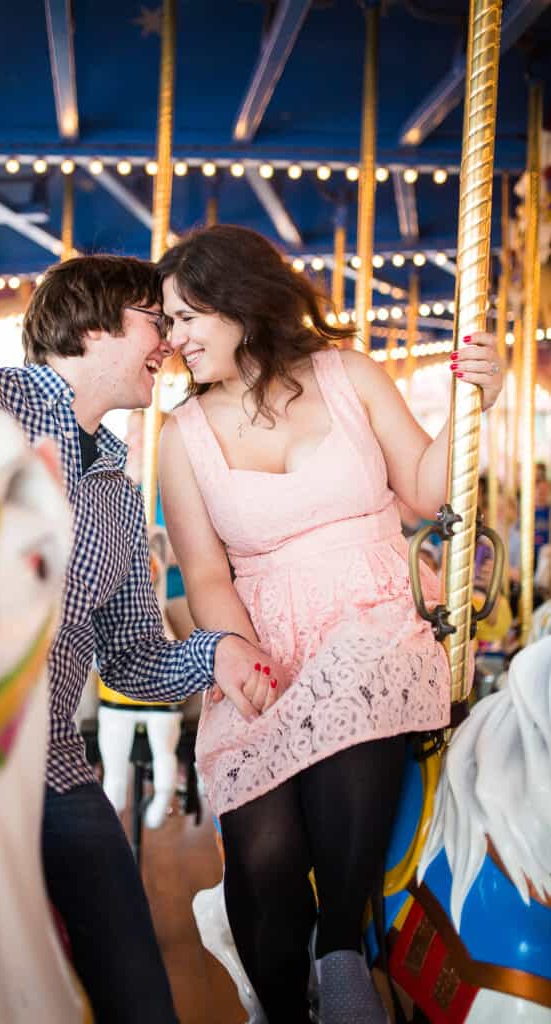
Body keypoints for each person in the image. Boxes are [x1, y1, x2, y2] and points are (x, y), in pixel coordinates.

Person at [0, 186, 288, 1024]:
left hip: (54, 767)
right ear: (91, 326)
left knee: (140, 996)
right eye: (151, 320)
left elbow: (133, 659)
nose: (167, 344)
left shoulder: (115, 489)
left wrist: (217, 654)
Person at [156, 224, 503, 1024]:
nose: (174, 341)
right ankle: (284, 1004)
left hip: (378, 617)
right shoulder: (183, 436)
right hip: (266, 636)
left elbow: (424, 487)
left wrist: (471, 406)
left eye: (186, 318)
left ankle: (341, 950)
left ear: (236, 303)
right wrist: (238, 654)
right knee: (264, 849)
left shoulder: (347, 375)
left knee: (358, 663)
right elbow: (206, 573)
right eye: (169, 324)